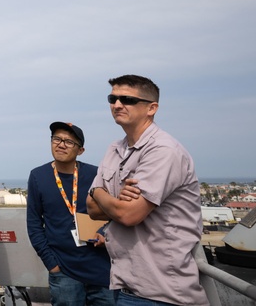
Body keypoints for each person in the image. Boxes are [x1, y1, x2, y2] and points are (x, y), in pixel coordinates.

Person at [86, 75, 208, 305]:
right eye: (112, 98)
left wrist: (98, 192)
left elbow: (128, 215)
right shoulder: (115, 149)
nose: (117, 105)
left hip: (164, 292)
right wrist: (111, 199)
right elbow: (91, 209)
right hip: (125, 285)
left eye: (127, 100)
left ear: (152, 108)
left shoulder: (164, 150)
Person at [27, 122, 115, 306]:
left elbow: (113, 213)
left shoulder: (96, 174)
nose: (61, 144)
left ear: (80, 150)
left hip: (100, 267)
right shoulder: (38, 176)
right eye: (56, 139)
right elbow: (34, 224)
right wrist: (52, 265)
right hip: (63, 271)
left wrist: (105, 233)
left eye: (68, 141)